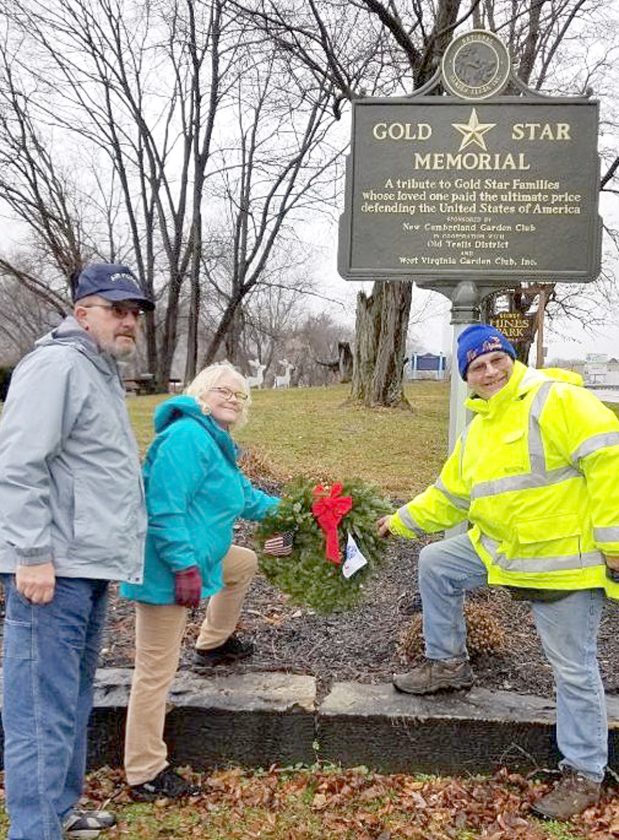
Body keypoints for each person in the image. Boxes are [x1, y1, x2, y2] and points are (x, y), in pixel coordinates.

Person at [378, 324, 619, 821]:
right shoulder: (478, 430)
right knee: (437, 561)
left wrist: (614, 545)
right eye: (476, 366)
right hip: (503, 550)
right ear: (467, 377)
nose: (489, 372)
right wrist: (397, 523)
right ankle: (447, 664)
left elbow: (610, 461)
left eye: (495, 360)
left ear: (512, 358)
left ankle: (585, 772)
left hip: (563, 565)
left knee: (572, 670)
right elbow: (448, 498)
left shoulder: (556, 400)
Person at [0, 264, 153, 839]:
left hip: (84, 564)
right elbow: (19, 464)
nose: (129, 321)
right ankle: (35, 829)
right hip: (53, 567)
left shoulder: (95, 369)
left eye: (134, 312)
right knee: (40, 706)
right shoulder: (57, 365)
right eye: (117, 309)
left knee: (67, 699)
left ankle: (58, 813)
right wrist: (32, 553)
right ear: (82, 310)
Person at [121, 362, 279, 801]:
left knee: (242, 562)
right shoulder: (186, 437)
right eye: (223, 391)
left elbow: (247, 498)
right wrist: (183, 567)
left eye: (239, 395)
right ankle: (144, 771)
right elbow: (163, 506)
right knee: (155, 672)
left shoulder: (216, 443)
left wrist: (300, 508)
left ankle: (212, 643)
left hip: (201, 557)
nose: (232, 398)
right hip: (165, 569)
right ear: (200, 394)